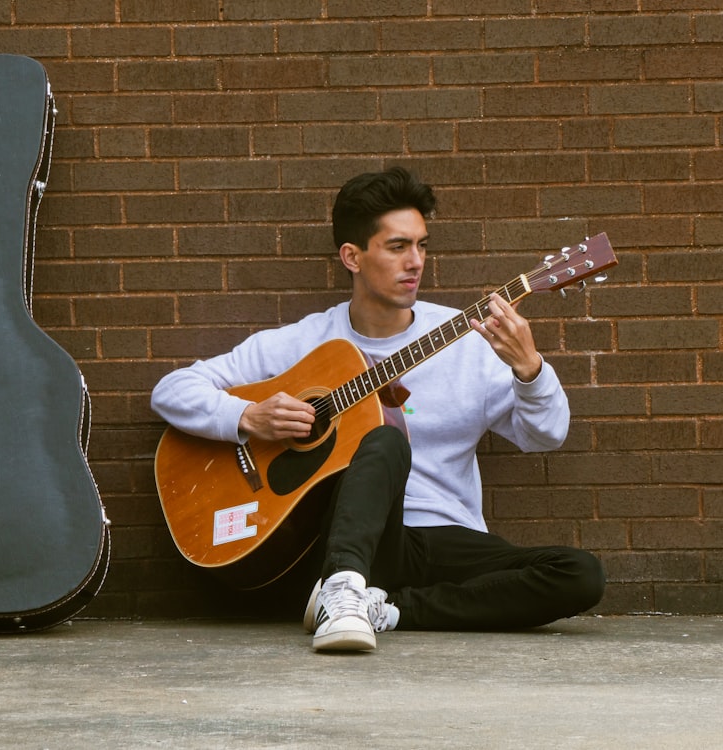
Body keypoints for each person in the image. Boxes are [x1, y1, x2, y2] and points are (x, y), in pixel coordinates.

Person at [150, 167, 605, 651]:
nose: (416, 262)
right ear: (352, 256)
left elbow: (546, 435)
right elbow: (174, 389)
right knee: (385, 437)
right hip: (359, 542)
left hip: (447, 534)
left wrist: (529, 369)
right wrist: (248, 418)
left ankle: (384, 611)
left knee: (580, 575)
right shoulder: (306, 343)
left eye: (423, 245)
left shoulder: (468, 340)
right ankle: (344, 585)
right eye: (397, 247)